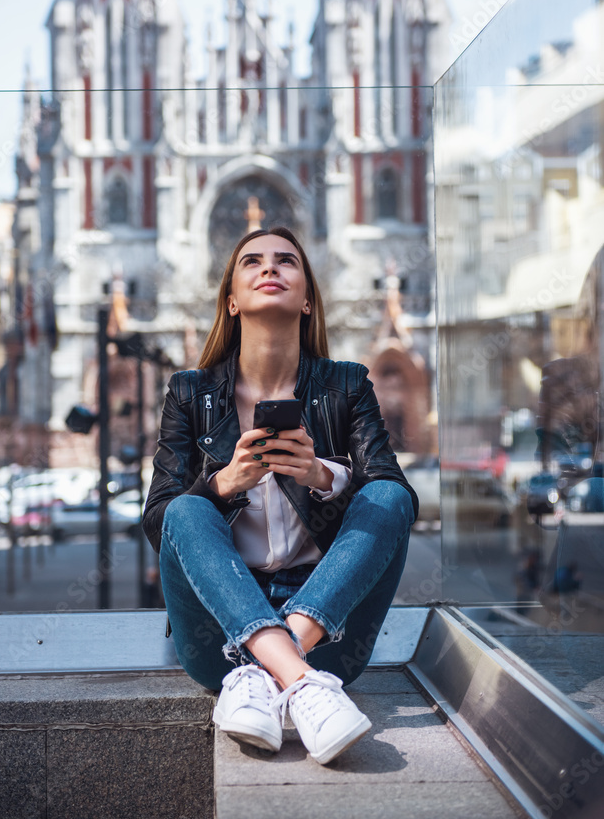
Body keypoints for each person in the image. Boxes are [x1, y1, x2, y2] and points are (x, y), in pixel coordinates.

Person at [143, 227, 418, 765]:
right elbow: (159, 522)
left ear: (308, 297)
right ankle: (302, 685)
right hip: (215, 633)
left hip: (328, 630)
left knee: (388, 499)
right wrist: (225, 484)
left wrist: (321, 475)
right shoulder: (188, 392)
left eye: (286, 261)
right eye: (252, 262)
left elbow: (396, 495)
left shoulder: (348, 384)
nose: (270, 269)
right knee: (187, 507)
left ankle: (271, 670)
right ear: (232, 299)